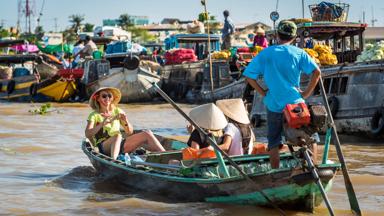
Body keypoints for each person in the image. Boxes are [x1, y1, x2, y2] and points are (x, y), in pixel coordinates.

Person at [243, 20, 321, 169]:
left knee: (274, 141)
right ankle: (314, 166)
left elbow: (249, 76)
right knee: (311, 138)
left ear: (277, 35)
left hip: (274, 103)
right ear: (294, 37)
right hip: (295, 103)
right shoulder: (299, 53)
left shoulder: (266, 53)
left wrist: (262, 92)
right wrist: (306, 93)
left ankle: (275, 173)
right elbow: (317, 72)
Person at [85, 87, 165, 160]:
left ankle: (166, 156)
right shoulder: (94, 115)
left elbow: (129, 132)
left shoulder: (118, 111)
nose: (107, 98)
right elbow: (88, 134)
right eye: (104, 96)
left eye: (109, 96)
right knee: (117, 135)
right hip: (103, 147)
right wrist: (102, 124)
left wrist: (126, 121)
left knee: (147, 133)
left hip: (119, 144)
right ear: (98, 99)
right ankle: (114, 161)